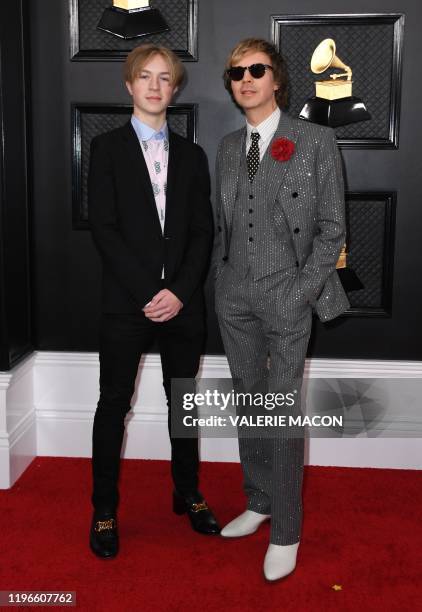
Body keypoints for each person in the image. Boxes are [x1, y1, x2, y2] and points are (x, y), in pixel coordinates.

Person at [213, 38, 349, 580]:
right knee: (249, 402)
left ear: (276, 79)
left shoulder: (314, 140)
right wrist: (223, 284)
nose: (244, 79)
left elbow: (332, 227)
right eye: (235, 73)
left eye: (256, 69)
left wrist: (300, 291)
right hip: (234, 297)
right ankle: (260, 500)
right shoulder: (226, 147)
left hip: (287, 293)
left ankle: (286, 530)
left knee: (283, 409)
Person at [88, 43, 219, 559]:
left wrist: (179, 293)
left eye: (165, 78)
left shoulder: (193, 155)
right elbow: (104, 228)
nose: (155, 86)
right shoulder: (107, 150)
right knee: (112, 406)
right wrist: (149, 294)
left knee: (183, 406)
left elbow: (204, 233)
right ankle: (103, 509)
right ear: (129, 85)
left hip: (183, 307)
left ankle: (187, 492)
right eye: (145, 76)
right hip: (127, 305)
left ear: (175, 87)